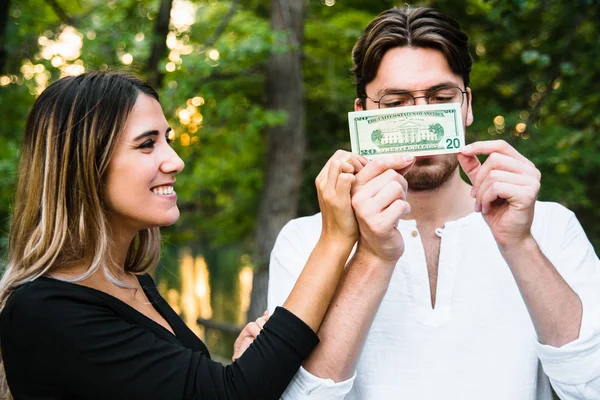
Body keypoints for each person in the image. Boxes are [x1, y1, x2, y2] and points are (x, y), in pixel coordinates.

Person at [268, 6, 600, 400]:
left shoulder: (550, 227)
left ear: (467, 106)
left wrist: (521, 244)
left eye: (441, 97)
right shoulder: (308, 241)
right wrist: (372, 255)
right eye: (395, 104)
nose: (421, 119)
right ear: (361, 116)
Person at [0, 71, 362, 400]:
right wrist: (334, 240)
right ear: (85, 166)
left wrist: (244, 366)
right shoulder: (45, 310)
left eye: (167, 139)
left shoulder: (132, 283)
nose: (175, 161)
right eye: (147, 144)